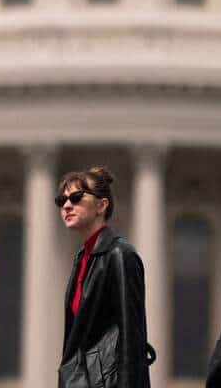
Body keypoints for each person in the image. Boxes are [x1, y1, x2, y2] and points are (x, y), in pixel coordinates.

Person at [57, 165, 152, 388]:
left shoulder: (120, 255)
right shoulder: (83, 258)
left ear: (102, 205)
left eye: (77, 197)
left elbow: (132, 336)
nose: (67, 205)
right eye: (61, 201)